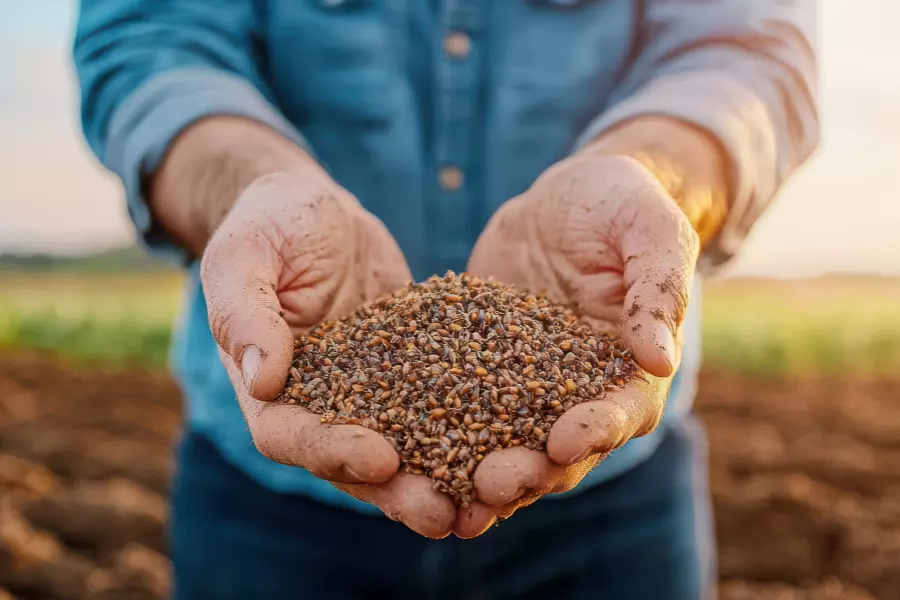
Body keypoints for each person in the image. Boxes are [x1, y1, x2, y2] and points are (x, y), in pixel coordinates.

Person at [74, 1, 817, 598]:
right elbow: (150, 40)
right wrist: (244, 184)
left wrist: (658, 170)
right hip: (265, 508)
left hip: (615, 504)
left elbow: (749, 50)